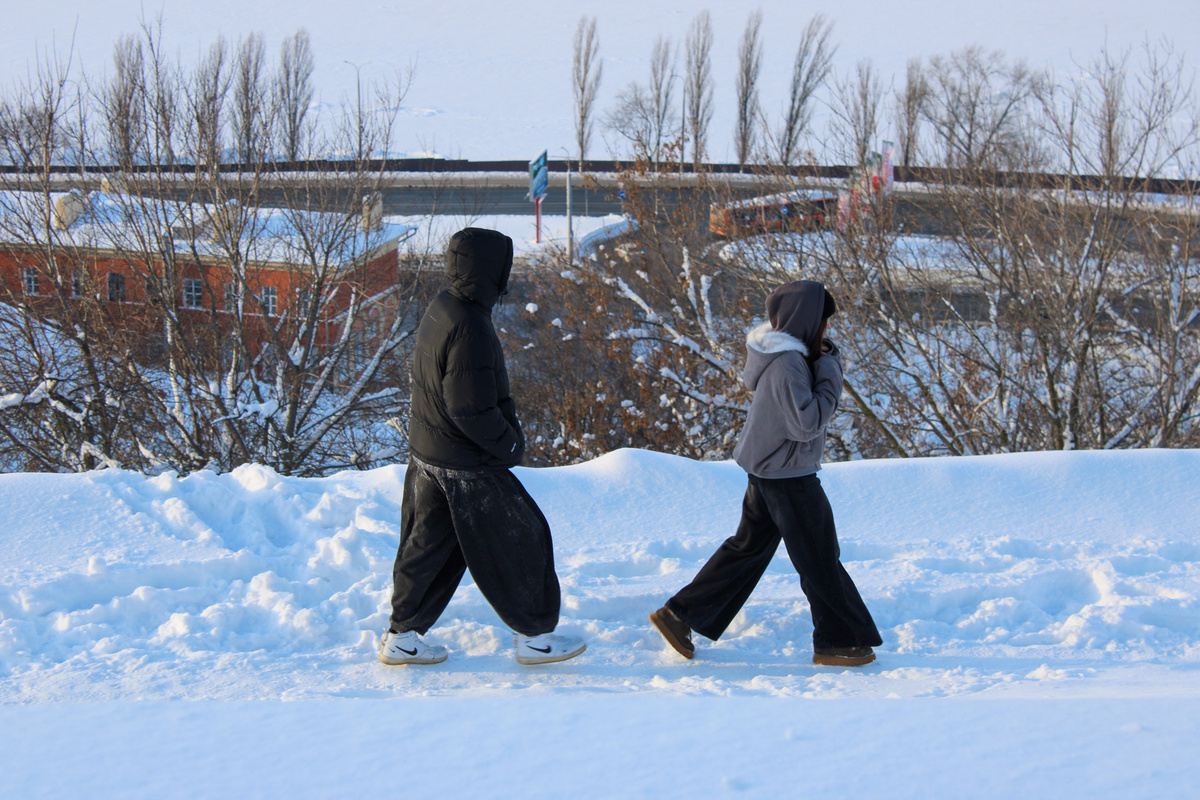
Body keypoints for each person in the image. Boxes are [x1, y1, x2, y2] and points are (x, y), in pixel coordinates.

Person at [380, 227, 586, 667]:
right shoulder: (470, 324)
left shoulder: (444, 305)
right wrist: (509, 446)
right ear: (492, 270)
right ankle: (535, 639)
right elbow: (468, 408)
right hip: (465, 464)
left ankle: (402, 637)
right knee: (522, 540)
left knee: (428, 548)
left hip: (430, 455)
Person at [650, 279, 882, 667]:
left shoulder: (789, 358)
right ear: (807, 319)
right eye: (824, 319)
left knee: (748, 550)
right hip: (788, 477)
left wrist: (821, 361)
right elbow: (806, 424)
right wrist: (830, 371)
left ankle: (679, 616)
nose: (828, 326)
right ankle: (838, 641)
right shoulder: (788, 365)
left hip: (772, 471)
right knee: (819, 559)